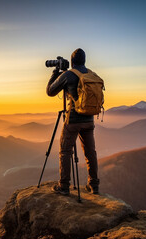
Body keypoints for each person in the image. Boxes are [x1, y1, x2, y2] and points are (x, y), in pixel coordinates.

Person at [46, 48, 99, 195]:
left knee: (65, 151)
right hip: (89, 119)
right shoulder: (90, 74)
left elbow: (50, 91)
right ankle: (94, 185)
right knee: (90, 153)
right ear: (84, 61)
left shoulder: (68, 75)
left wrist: (55, 72)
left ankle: (64, 186)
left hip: (73, 120)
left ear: (72, 62)